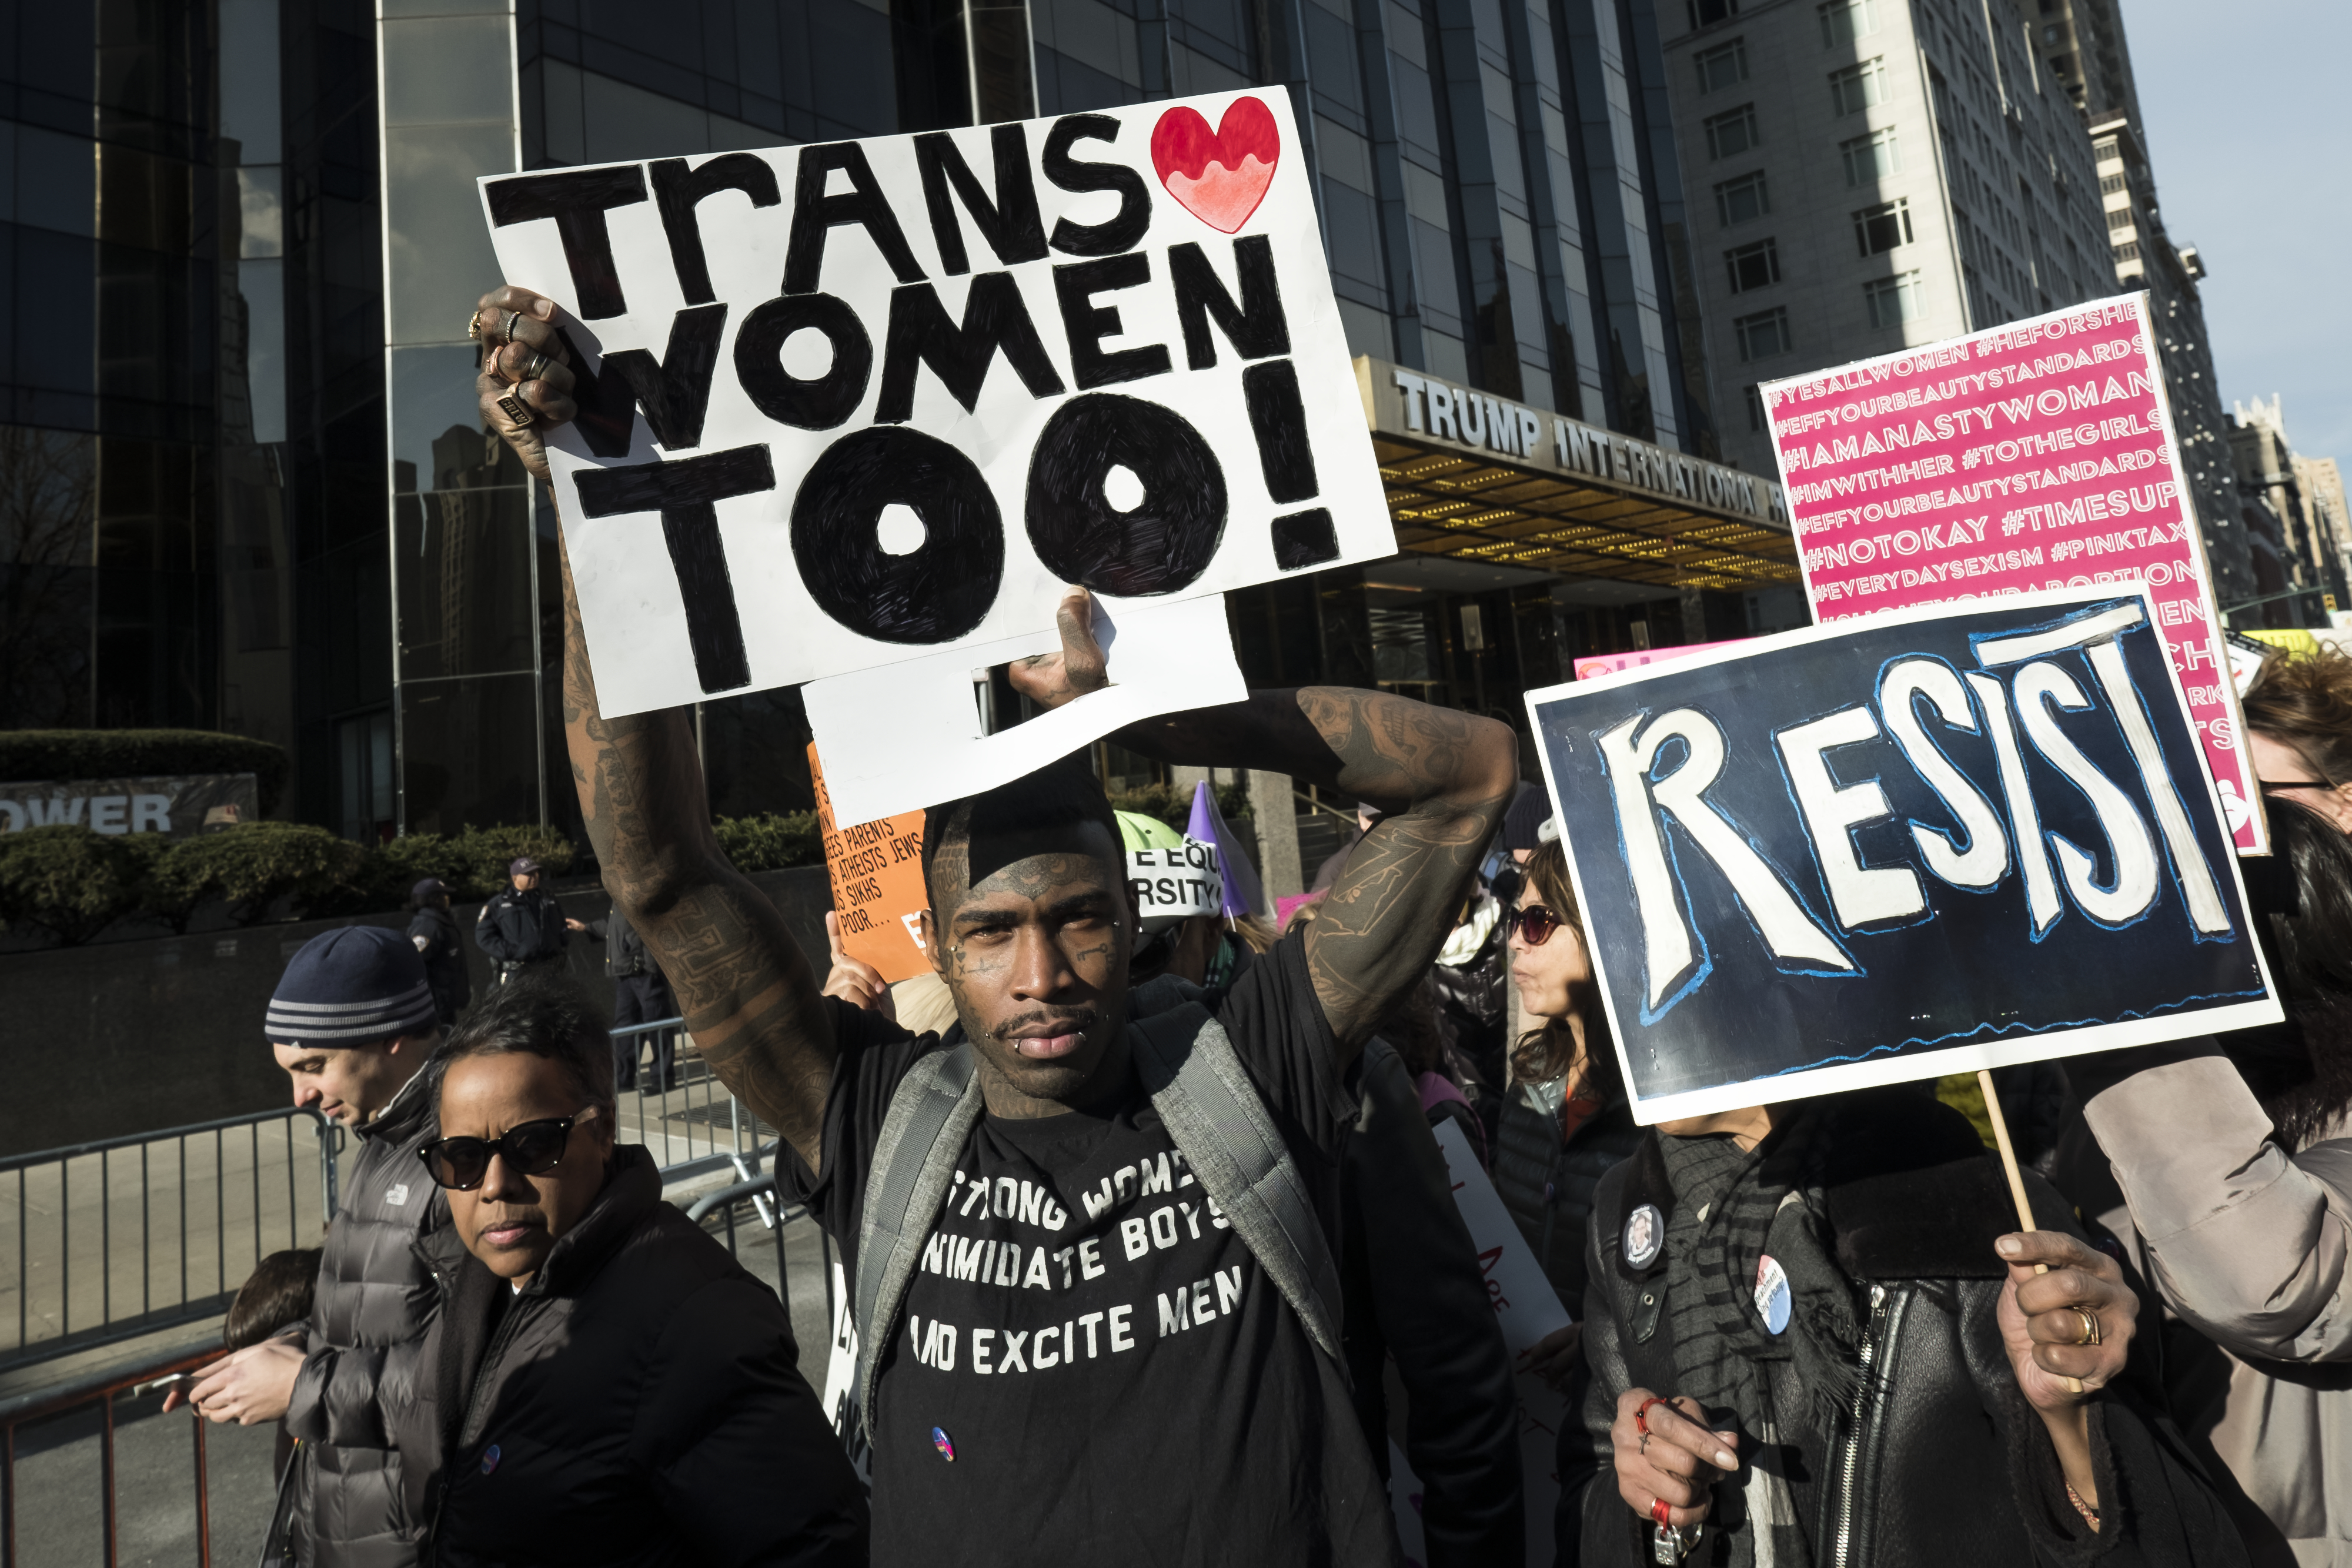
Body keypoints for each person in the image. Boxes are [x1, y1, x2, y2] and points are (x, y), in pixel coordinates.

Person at [478, 272, 1521, 1567]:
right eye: (986, 933)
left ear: (1133, 912)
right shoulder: (870, 1117)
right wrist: (600, 515)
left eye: (1080, 920)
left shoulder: (1247, 1064)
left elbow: (1469, 772)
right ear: (934, 936)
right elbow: (659, 871)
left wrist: (1136, 706)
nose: (1041, 974)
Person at [820, 801, 1525, 1568]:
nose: (1059, 981)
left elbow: (1456, 1376)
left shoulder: (1294, 1076)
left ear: (1194, 929)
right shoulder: (956, 1104)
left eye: (1104, 933)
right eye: (1000, 934)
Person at [1574, 1084, 2248, 1566]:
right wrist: (1644, 1506)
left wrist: (2069, 1422)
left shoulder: (1979, 1210)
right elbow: (1586, 1487)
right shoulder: (1626, 1217)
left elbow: (2180, 1541)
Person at [393, 976, 867, 1566]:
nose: (494, 1185)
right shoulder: (473, 1280)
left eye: (533, 1146)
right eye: (461, 1157)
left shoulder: (694, 1321)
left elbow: (814, 1546)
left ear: (603, 1133)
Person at [2060, 647, 2352, 1566]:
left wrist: (2126, 1012)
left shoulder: (2150, 1069)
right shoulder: (2108, 1109)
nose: (2232, 825)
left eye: (2256, 793)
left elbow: (2277, 1282)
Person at [173, 925, 447, 1568]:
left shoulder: (461, 1155)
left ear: (390, 1035)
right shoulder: (388, 1136)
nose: (300, 1097)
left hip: (415, 1531)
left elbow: (490, 1373)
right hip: (362, 1522)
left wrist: (302, 1383)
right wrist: (297, 1341)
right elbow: (395, 1313)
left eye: (313, 1066)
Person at [1491, 842, 1644, 1447]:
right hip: (1529, 1409)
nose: (1515, 943)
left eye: (1537, 922)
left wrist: (1596, 1335)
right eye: (1514, 921)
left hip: (1623, 1425)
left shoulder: (1667, 1111)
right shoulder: (1529, 1079)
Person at [590, 905, 676, 1093]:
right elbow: (615, 930)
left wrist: (650, 966)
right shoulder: (618, 899)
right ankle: (624, 1080)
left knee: (657, 1025)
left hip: (645, 973)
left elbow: (652, 929)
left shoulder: (634, 891)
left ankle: (662, 1079)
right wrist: (588, 928)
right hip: (625, 975)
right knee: (626, 1029)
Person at [474, 856, 583, 982]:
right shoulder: (499, 904)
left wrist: (560, 944)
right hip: (518, 973)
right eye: (528, 874)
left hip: (550, 969)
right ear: (515, 878)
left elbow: (562, 925)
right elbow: (484, 937)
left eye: (536, 872)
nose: (535, 876)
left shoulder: (547, 899)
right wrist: (512, 952)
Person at [406, 878, 468, 1027]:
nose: (447, 899)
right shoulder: (427, 925)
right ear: (431, 900)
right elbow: (415, 962)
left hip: (446, 1000)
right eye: (442, 896)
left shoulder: (441, 921)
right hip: (437, 1003)